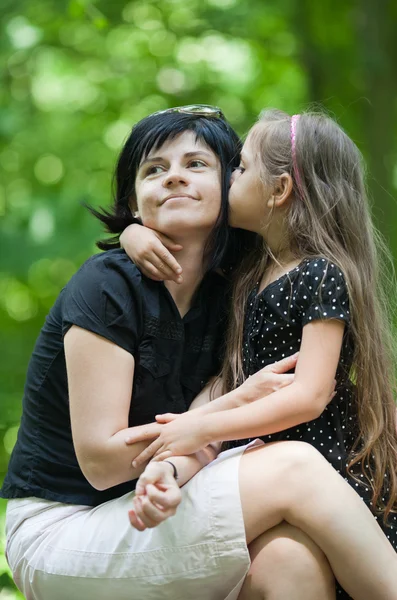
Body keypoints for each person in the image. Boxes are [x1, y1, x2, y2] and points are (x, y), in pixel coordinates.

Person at [1, 107, 397, 600]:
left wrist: (179, 456)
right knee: (294, 466)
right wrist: (130, 231)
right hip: (66, 525)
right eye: (154, 170)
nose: (173, 178)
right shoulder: (107, 286)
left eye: (196, 164)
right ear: (133, 198)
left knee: (289, 561)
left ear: (233, 185)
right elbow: (102, 465)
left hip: (172, 490)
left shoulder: (239, 285)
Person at [121, 109, 397, 600]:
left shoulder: (320, 274)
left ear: (280, 190)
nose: (229, 176)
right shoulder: (249, 269)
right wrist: (133, 233)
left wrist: (199, 428)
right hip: (263, 472)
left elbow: (309, 395)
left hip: (330, 478)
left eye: (241, 168)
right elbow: (231, 385)